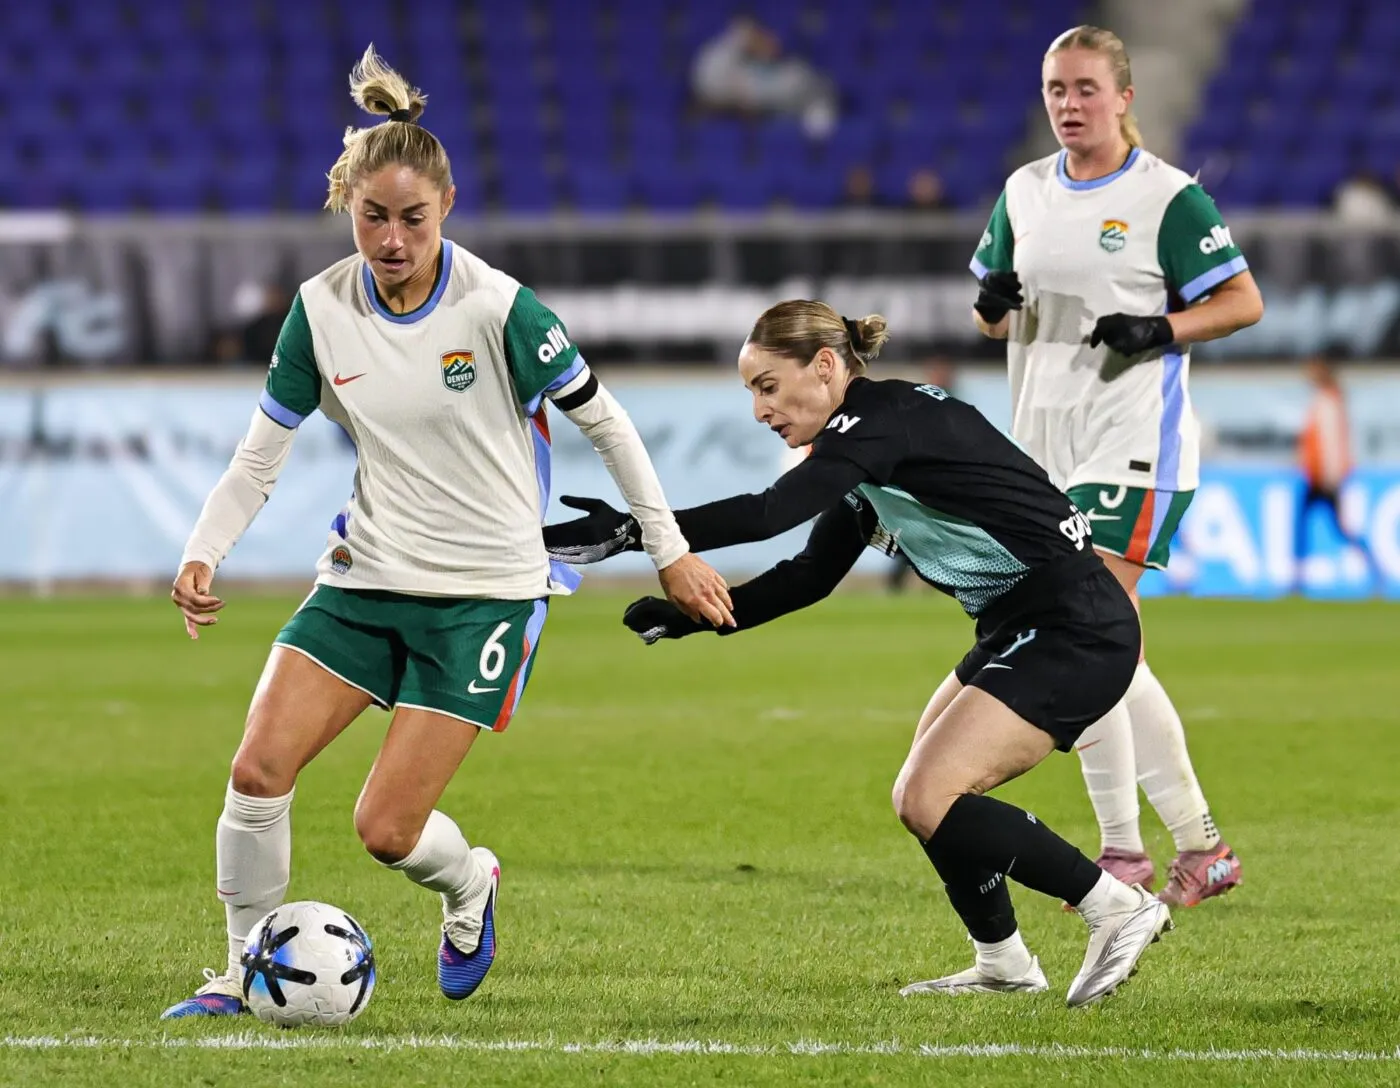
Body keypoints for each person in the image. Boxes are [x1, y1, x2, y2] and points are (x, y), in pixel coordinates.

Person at [160, 45, 733, 1019]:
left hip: (485, 591)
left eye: (411, 218)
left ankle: (469, 884)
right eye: (371, 217)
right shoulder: (318, 311)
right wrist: (204, 548)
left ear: (447, 206)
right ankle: (240, 969)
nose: (391, 240)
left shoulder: (496, 306)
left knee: (385, 828)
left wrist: (668, 548)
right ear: (346, 207)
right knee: (256, 769)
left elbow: (607, 421)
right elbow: (262, 454)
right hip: (366, 574)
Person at [544, 301, 1173, 1007]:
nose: (759, 410)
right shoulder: (871, 444)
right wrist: (704, 619)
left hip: (1074, 625)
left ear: (824, 365)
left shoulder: (883, 422)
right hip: (1024, 623)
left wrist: (637, 531)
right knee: (921, 794)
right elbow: (810, 575)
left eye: (767, 386)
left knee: (931, 794)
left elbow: (766, 512)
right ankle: (1003, 961)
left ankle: (1114, 905)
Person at [968, 25, 1264, 908]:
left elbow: (1243, 300)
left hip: (1136, 443)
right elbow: (991, 313)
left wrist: (1162, 329)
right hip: (1043, 447)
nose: (1069, 105)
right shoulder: (1022, 192)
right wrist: (990, 305)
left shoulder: (1167, 198)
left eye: (1087, 89)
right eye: (1057, 89)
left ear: (1125, 97)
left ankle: (1123, 853)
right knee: (1105, 648)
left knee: (1082, 630)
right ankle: (1199, 847)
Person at [1295, 356, 1376, 588]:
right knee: (1305, 526)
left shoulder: (1327, 401)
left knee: (1339, 528)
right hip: (1318, 477)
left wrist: (1331, 477)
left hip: (1324, 479)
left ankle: (1374, 568)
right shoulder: (1328, 399)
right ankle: (1297, 580)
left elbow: (1329, 443)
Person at [691, 15, 838, 138]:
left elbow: (821, 94)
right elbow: (708, 80)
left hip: (788, 120)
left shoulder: (793, 74)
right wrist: (745, 36)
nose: (770, 44)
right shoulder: (720, 64)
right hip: (753, 123)